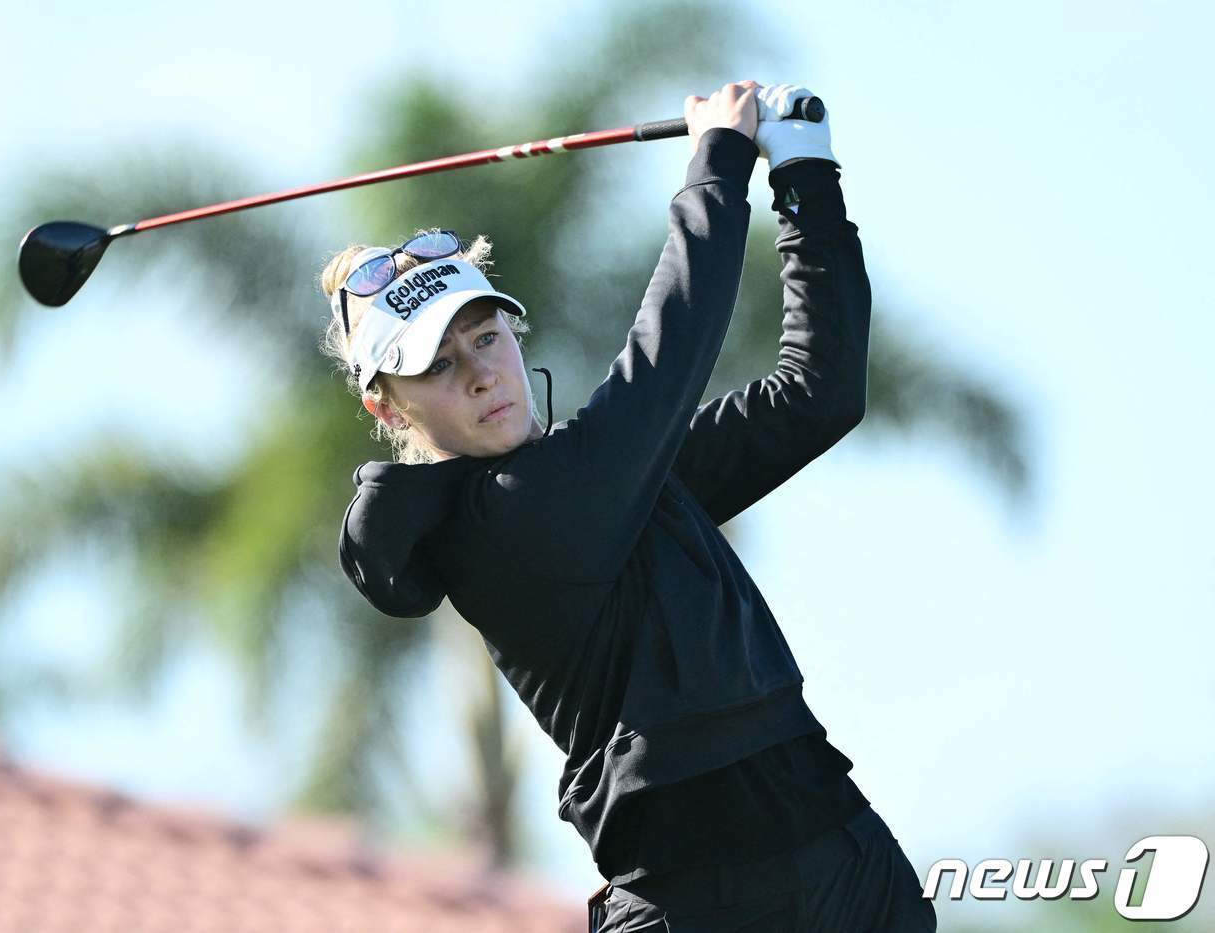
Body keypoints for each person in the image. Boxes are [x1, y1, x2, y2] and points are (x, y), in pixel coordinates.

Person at [319, 80, 937, 932]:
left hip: (841, 859)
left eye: (485, 335)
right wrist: (718, 157)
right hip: (692, 906)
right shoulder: (505, 522)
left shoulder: (618, 475)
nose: (478, 373)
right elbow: (669, 347)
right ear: (389, 408)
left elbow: (819, 393)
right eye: (435, 364)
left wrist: (806, 177)